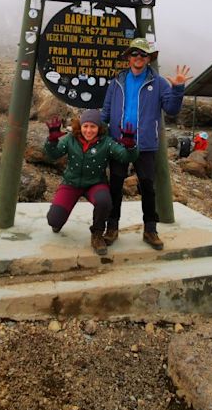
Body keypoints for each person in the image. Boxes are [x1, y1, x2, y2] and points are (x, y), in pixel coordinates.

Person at [101, 38, 191, 250]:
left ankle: (151, 230)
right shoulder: (116, 82)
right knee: (115, 185)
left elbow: (171, 109)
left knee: (148, 188)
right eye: (134, 54)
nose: (138, 58)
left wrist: (177, 89)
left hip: (145, 145)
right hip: (117, 143)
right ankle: (112, 227)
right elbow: (105, 111)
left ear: (149, 58)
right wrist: (97, 132)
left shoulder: (158, 83)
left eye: (143, 54)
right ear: (128, 57)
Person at [43, 109, 138, 256]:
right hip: (71, 183)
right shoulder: (70, 139)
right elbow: (53, 155)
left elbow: (125, 157)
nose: (89, 130)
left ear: (99, 128)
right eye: (85, 126)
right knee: (53, 220)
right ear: (80, 126)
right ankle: (58, 221)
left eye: (93, 127)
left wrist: (131, 146)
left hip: (95, 183)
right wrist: (52, 141)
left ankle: (97, 234)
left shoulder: (106, 142)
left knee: (104, 201)